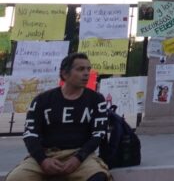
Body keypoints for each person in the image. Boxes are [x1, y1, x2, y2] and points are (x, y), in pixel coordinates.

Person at [6, 53, 111, 181]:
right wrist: (42, 160)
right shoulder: (43, 100)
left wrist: (79, 158)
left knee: (99, 177)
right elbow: (30, 134)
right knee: (15, 178)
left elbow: (99, 134)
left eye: (88, 69)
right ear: (65, 74)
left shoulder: (96, 99)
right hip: (46, 154)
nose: (86, 73)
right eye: (80, 69)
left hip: (80, 155)